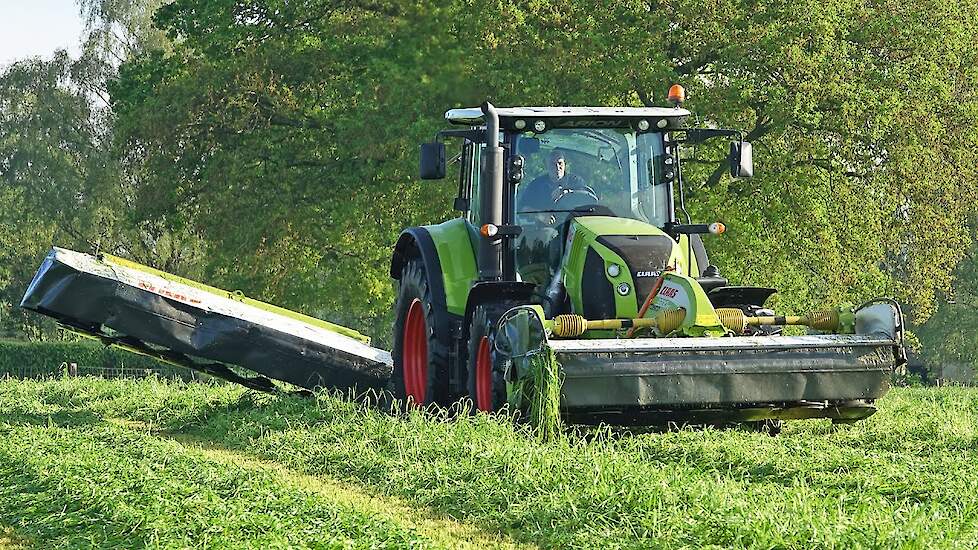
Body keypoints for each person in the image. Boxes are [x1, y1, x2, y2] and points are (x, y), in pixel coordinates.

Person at [518, 149, 595, 212]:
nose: (557, 167)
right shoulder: (536, 185)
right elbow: (522, 208)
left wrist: (566, 192)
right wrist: (540, 215)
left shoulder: (576, 181)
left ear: (565, 164)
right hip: (545, 226)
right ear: (546, 165)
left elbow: (587, 197)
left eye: (560, 163)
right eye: (553, 163)